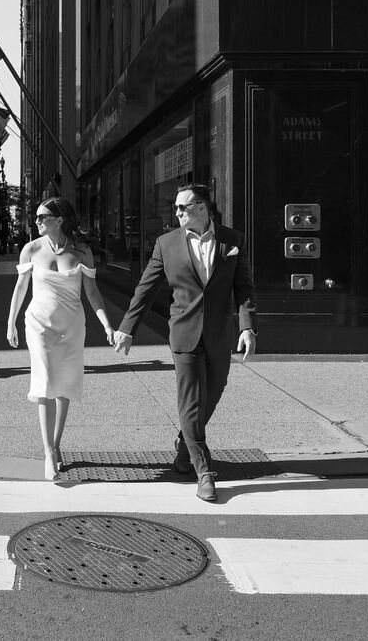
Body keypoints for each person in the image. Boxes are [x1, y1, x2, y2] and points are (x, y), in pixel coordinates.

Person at [113, 184, 257, 502]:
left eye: (184, 207)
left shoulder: (232, 241)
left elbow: (243, 288)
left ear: (203, 208)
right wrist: (127, 328)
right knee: (190, 403)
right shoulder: (166, 244)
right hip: (184, 335)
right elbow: (145, 289)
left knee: (212, 395)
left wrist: (247, 328)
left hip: (219, 334)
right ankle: (204, 471)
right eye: (175, 207)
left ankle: (185, 444)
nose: (176, 212)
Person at [6, 197, 115, 481]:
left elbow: (92, 292)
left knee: (64, 382)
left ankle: (55, 443)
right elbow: (20, 289)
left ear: (60, 220)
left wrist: (106, 325)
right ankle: (49, 453)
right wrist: (11, 322)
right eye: (37, 217)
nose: (37, 222)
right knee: (44, 381)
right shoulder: (31, 249)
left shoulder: (81, 252)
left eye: (43, 217)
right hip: (39, 324)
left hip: (72, 325)